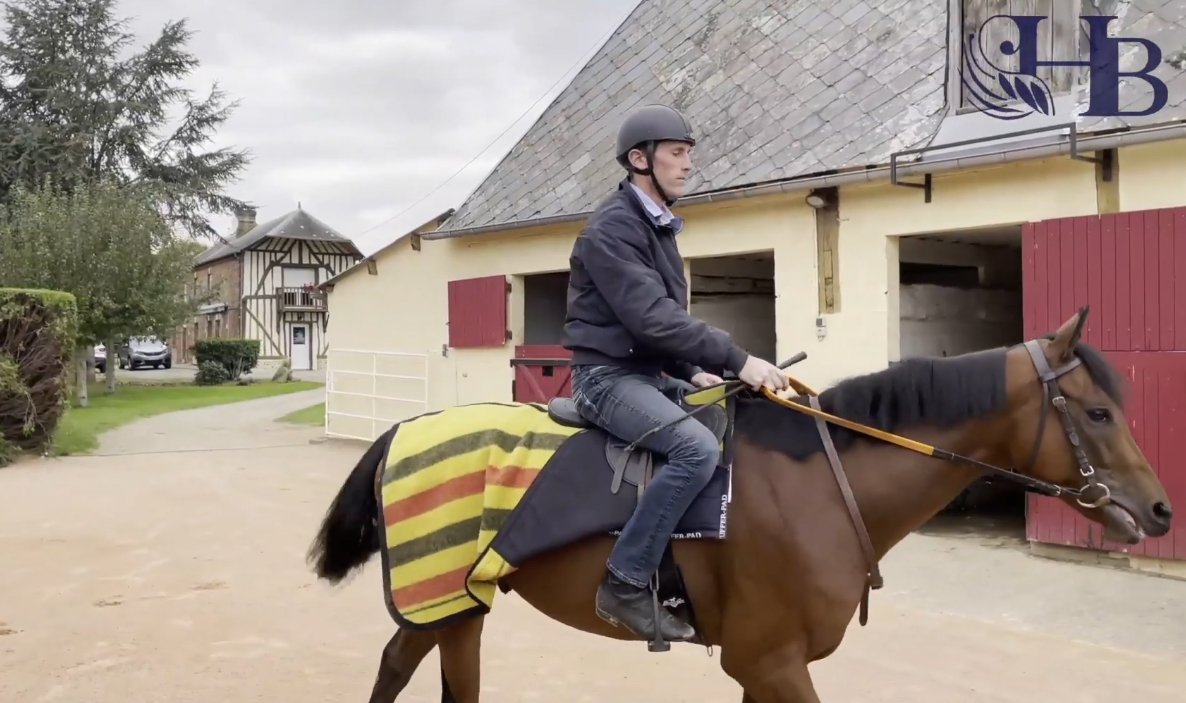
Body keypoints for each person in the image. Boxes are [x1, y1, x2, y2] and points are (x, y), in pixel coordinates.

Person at [561, 103, 790, 642]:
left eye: (689, 154)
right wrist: (738, 359)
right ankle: (624, 581)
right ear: (640, 159)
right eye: (677, 153)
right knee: (696, 449)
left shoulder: (656, 225)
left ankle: (689, 566)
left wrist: (693, 369)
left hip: (645, 374)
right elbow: (652, 317)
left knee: (722, 422)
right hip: (605, 380)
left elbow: (655, 323)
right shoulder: (612, 229)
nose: (689, 164)